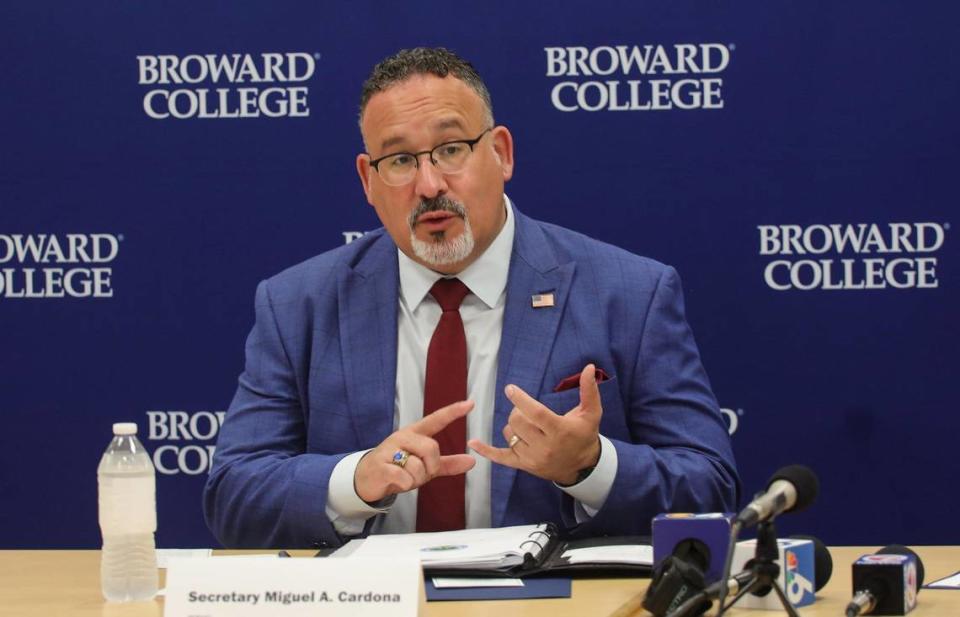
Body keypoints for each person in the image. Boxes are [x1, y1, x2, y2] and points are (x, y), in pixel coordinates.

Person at [203, 47, 739, 548]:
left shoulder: (630, 293)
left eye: (451, 149)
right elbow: (232, 494)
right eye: (399, 161)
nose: (429, 183)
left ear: (501, 153)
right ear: (368, 181)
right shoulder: (297, 304)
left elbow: (711, 486)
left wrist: (589, 465)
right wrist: (354, 479)